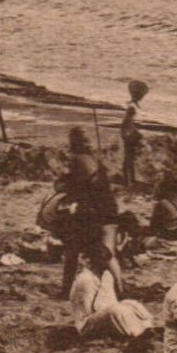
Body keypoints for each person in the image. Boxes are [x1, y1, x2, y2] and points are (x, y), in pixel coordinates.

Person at [59, 126, 122, 299]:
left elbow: (72, 187)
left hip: (92, 210)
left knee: (72, 250)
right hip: (109, 208)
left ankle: (66, 290)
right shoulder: (97, 159)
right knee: (107, 254)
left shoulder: (76, 159)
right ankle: (121, 290)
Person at [70, 244, 155, 340]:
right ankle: (135, 333)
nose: (106, 264)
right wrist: (111, 312)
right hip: (87, 324)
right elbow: (89, 310)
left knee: (131, 303)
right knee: (115, 311)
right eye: (102, 261)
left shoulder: (106, 275)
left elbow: (111, 300)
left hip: (105, 313)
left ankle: (146, 328)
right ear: (93, 261)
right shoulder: (85, 280)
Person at [119, 80, 148, 186]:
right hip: (129, 134)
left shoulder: (132, 105)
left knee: (129, 157)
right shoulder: (132, 107)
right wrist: (132, 133)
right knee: (129, 158)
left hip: (128, 133)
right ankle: (129, 181)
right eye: (142, 94)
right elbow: (127, 122)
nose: (142, 97)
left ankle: (130, 180)